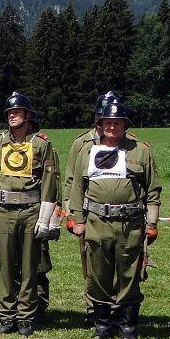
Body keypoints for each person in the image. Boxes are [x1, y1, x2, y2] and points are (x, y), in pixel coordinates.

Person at [69, 101, 160, 339]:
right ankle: (102, 325)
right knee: (98, 275)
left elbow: (153, 190)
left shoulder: (140, 150)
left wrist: (151, 224)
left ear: (124, 125)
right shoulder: (87, 152)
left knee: (129, 275)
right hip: (97, 222)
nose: (112, 127)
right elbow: (78, 188)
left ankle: (127, 326)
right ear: (100, 125)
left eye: (117, 122)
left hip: (130, 224)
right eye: (108, 122)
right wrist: (77, 220)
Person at [0, 93, 60, 337]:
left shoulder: (41, 144)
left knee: (29, 265)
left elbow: (49, 183)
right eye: (9, 113)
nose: (12, 115)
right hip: (3, 210)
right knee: (5, 264)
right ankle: (6, 314)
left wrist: (45, 219)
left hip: (31, 211)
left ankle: (26, 316)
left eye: (17, 112)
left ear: (27, 115)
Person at [64, 91, 130, 326]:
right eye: (101, 115)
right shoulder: (82, 143)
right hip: (88, 212)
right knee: (92, 264)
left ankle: (117, 308)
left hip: (118, 215)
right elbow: (72, 180)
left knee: (120, 262)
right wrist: (72, 214)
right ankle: (94, 307)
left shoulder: (125, 140)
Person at [27, 110, 61, 322]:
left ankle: (39, 305)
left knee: (38, 263)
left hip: (38, 212)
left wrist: (52, 220)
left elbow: (53, 185)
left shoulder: (46, 150)